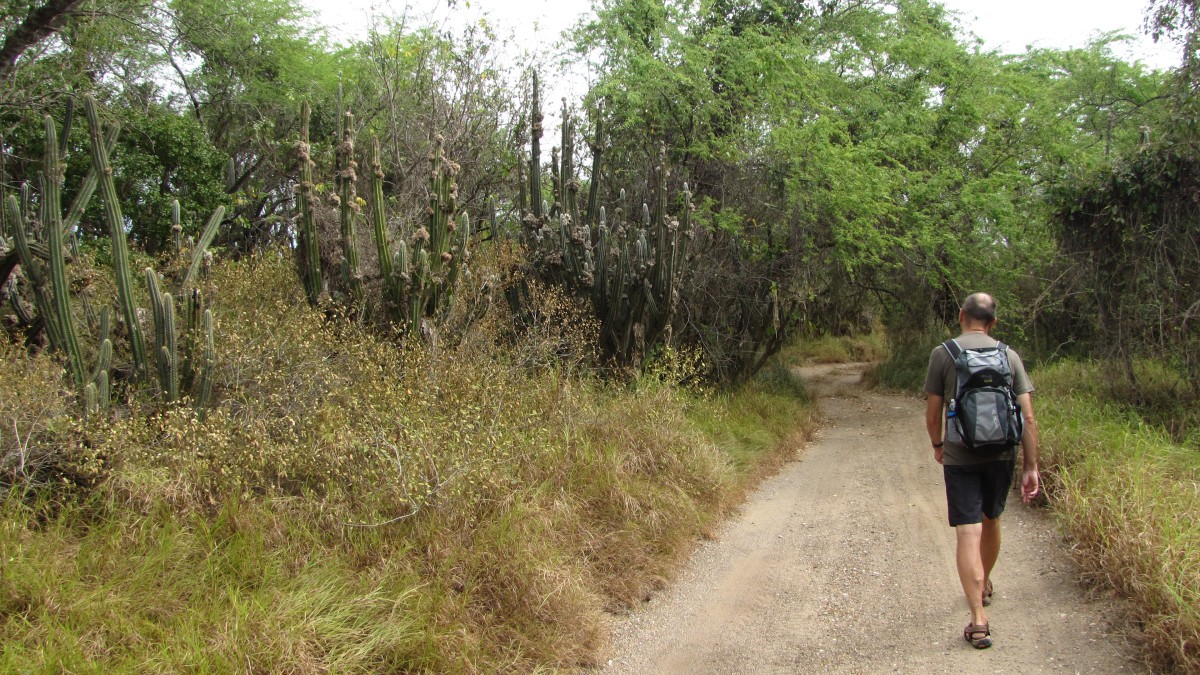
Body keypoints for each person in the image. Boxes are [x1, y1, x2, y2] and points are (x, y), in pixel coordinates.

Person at [924, 292, 1040, 650]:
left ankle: (977, 618)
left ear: (961, 315)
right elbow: (1028, 416)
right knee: (992, 521)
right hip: (1002, 453)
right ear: (994, 322)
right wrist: (1031, 465)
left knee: (967, 534)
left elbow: (933, 413)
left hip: (961, 455)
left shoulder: (944, 354)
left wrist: (938, 445)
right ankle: (984, 581)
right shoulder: (1009, 356)